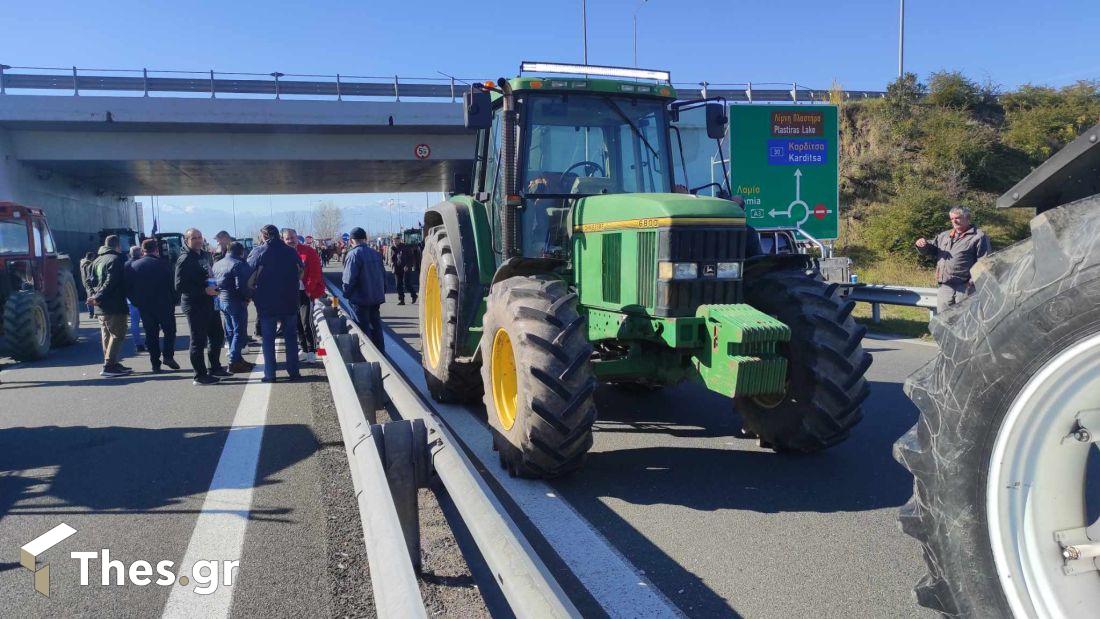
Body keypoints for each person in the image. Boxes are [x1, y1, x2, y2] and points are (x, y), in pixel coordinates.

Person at [248, 224, 304, 382]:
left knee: (268, 339)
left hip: (267, 303)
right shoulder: (290, 251)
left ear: (264, 236)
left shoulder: (258, 251)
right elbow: (301, 269)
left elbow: (249, 275)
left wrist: (252, 292)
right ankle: (294, 372)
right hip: (290, 301)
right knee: (291, 338)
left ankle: (270, 374)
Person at [176, 228, 228, 385]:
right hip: (195, 304)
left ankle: (215, 367)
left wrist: (214, 286)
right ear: (187, 240)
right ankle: (199, 375)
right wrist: (203, 290)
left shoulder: (203, 255)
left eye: (199, 237)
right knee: (198, 340)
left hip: (209, 302)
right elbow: (179, 286)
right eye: (194, 238)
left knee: (217, 335)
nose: (198, 240)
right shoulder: (185, 259)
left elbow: (207, 275)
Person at [916, 206, 992, 313]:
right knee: (945, 322)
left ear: (967, 218)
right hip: (945, 288)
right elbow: (930, 250)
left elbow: (985, 262)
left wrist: (971, 283)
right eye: (952, 219)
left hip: (965, 289)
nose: (954, 221)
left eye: (957, 218)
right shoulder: (944, 236)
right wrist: (922, 245)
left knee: (964, 322)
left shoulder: (979, 236)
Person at [124, 239, 179, 372]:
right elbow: (173, 285)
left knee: (151, 334)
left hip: (145, 306)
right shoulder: (163, 264)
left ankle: (155, 363)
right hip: (164, 304)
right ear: (156, 250)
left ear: (143, 251)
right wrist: (174, 301)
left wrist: (136, 302)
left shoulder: (133, 266)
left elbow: (128, 288)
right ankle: (168, 355)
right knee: (169, 331)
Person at [87, 235, 132, 377]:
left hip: (100, 306)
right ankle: (109, 365)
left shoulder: (96, 260)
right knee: (118, 333)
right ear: (117, 246)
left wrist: (94, 296)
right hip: (114, 303)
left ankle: (111, 362)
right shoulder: (116, 259)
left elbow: (89, 281)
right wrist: (99, 296)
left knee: (106, 335)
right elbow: (111, 281)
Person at [282, 228, 325, 363]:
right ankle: (304, 349)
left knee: (306, 322)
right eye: (287, 238)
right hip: (290, 293)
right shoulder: (282, 254)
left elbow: (315, 272)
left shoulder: (308, 251)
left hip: (305, 292)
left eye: (292, 238)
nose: (290, 241)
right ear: (283, 239)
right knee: (297, 323)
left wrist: (309, 289)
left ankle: (312, 350)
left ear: (297, 237)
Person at [214, 241, 255, 374]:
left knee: (231, 331)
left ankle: (237, 358)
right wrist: (247, 297)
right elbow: (241, 286)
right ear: (241, 252)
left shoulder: (217, 264)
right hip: (235, 301)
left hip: (222, 300)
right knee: (240, 332)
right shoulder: (238, 264)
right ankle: (233, 361)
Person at [342, 227, 386, 351]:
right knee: (377, 328)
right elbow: (383, 275)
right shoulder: (375, 253)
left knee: (363, 330)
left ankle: (370, 355)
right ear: (365, 239)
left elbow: (349, 279)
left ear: (351, 241)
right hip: (376, 297)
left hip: (360, 299)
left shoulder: (353, 255)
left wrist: (346, 294)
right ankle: (381, 354)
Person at [125, 246, 147, 352]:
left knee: (134, 322)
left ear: (130, 253)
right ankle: (149, 340)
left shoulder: (126, 265)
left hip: (131, 298)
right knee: (148, 321)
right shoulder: (144, 263)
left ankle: (138, 344)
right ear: (140, 253)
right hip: (145, 297)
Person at [392, 237, 421, 305]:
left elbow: (411, 258)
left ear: (399, 240)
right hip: (397, 268)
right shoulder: (393, 249)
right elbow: (392, 259)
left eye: (396, 240)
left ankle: (414, 295)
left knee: (406, 284)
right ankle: (401, 300)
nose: (395, 242)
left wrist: (408, 265)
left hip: (405, 268)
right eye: (394, 241)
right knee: (398, 285)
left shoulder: (405, 247)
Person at [79, 251, 97, 318]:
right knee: (93, 297)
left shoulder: (82, 262)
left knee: (89, 297)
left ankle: (91, 313)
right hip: (90, 282)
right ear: (91, 257)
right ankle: (93, 313)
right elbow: (89, 275)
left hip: (85, 282)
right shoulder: (88, 264)